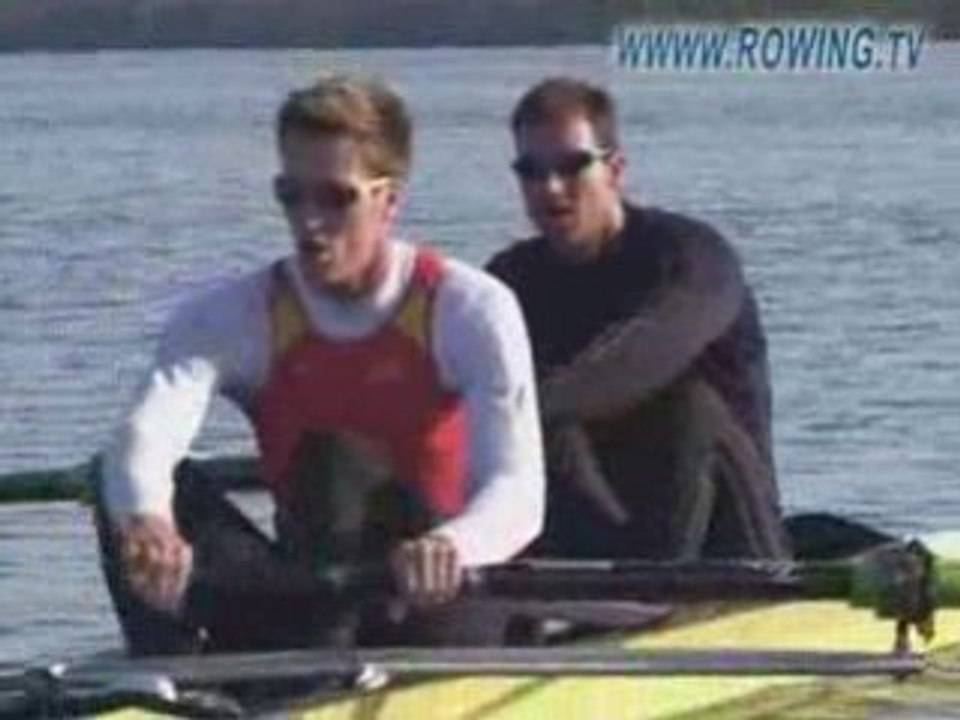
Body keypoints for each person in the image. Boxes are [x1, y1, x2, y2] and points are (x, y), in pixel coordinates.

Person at [97, 75, 544, 655]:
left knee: (335, 458)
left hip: (438, 598)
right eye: (292, 196)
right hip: (311, 598)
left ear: (389, 201)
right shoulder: (233, 313)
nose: (309, 222)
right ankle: (170, 680)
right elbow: (147, 437)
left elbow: (518, 493)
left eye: (335, 198)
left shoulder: (467, 307)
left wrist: (454, 546)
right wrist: (147, 520)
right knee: (121, 484)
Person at [487, 77, 790, 561]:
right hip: (605, 541)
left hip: (733, 548)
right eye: (532, 171)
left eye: (571, 166)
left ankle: (655, 598)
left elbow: (639, 360)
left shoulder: (693, 257)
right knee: (534, 431)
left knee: (686, 408)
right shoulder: (509, 281)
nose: (551, 187)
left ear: (615, 169)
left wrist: (515, 411)